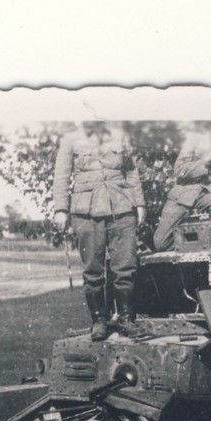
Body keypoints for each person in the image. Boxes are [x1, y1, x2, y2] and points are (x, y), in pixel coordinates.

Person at [52, 121, 146, 341]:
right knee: (93, 270)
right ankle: (99, 321)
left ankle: (126, 319)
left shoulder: (119, 134)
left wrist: (140, 203)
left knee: (125, 266)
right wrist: (60, 209)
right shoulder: (70, 139)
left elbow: (131, 171)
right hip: (87, 211)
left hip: (122, 207)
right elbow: (61, 177)